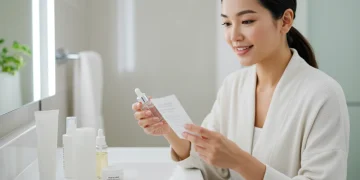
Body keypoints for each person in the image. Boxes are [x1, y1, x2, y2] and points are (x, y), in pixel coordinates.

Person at [131, 0, 350, 179]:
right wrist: (168, 130)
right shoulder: (233, 86)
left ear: (285, 21)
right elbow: (210, 165)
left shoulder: (324, 94)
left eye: (247, 21)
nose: (234, 36)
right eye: (227, 23)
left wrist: (240, 161)